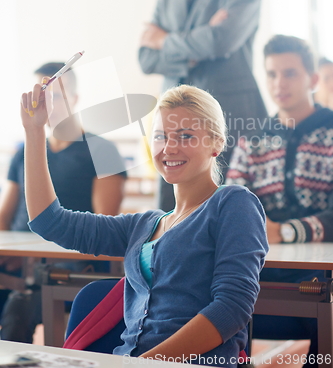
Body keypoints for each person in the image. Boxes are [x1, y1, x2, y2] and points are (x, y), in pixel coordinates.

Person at [21, 82, 268, 367]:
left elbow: (231, 309)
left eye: (185, 136)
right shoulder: (143, 224)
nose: (169, 147)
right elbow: (49, 222)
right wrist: (35, 130)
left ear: (216, 143)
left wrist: (143, 364)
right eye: (160, 136)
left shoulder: (233, 203)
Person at [138, 0, 267, 212]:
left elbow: (222, 40)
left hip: (230, 115)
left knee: (234, 216)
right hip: (171, 121)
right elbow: (146, 58)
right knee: (172, 218)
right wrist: (196, 46)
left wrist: (164, 39)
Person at [0, 62, 127, 342]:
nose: (44, 103)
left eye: (54, 96)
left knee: (19, 307)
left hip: (67, 259)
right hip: (17, 257)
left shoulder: (103, 150)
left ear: (76, 100)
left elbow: (103, 225)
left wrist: (36, 257)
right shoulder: (24, 153)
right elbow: (4, 215)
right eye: (39, 96)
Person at [226, 35, 333, 366]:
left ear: (313, 79)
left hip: (321, 276)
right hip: (260, 270)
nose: (278, 83)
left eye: (290, 73)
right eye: (271, 74)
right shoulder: (252, 139)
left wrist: (286, 231)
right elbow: (231, 201)